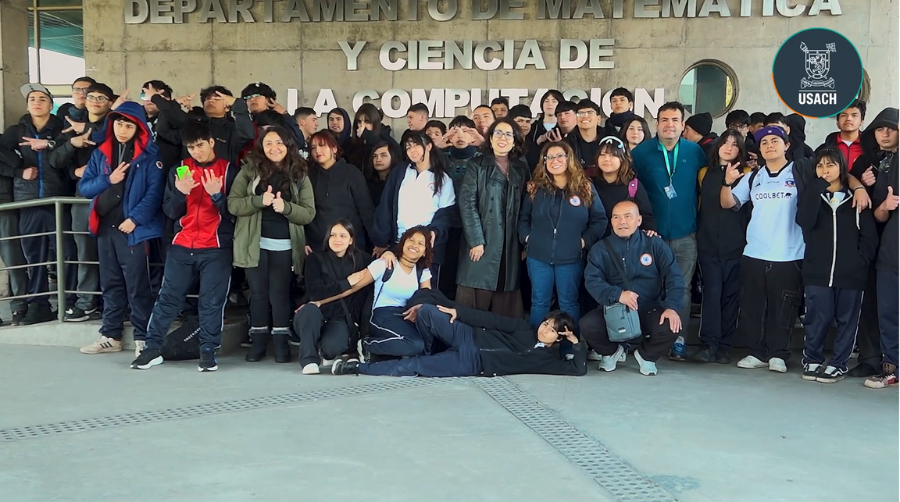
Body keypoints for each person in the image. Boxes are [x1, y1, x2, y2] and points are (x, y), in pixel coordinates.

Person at [720, 126, 869, 374]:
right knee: (753, 306)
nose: (769, 145)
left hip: (790, 252)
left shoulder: (802, 170)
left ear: (787, 145)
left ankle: (779, 353)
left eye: (775, 141)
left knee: (784, 307)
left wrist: (860, 187)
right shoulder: (754, 176)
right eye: (764, 142)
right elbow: (729, 202)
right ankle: (756, 352)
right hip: (755, 251)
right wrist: (727, 182)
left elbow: (834, 171)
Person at [130, 122, 235, 372]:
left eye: (200, 145)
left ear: (211, 142)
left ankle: (208, 352)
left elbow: (235, 215)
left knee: (211, 302)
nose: (196, 151)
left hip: (216, 246)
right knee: (168, 299)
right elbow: (169, 211)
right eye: (191, 147)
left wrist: (217, 196)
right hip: (182, 244)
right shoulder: (179, 170)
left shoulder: (230, 170)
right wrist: (179, 193)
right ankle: (152, 349)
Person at [76, 102, 165, 357]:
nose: (122, 130)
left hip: (134, 229)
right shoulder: (101, 153)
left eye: (128, 125)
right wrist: (109, 179)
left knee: (138, 284)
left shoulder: (150, 156)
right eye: (118, 123)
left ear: (138, 128)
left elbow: (154, 194)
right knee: (111, 282)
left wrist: (135, 219)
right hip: (106, 227)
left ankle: (143, 337)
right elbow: (85, 188)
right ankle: (110, 334)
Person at [229, 126, 315, 363]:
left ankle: (280, 345)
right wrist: (259, 201)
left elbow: (308, 213)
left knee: (278, 295)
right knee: (257, 294)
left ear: (288, 146)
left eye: (279, 143)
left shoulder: (299, 174)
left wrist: (284, 208)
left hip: (285, 245)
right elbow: (233, 204)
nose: (273, 148)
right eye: (268, 143)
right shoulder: (249, 171)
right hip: (254, 244)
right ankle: (257, 344)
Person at [1, 84, 84, 325]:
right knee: (33, 255)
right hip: (27, 201)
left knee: (66, 252)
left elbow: (69, 155)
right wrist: (19, 172)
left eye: (43, 99)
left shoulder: (62, 130)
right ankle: (39, 303)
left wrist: (49, 145)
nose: (37, 102)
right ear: (27, 105)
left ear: (51, 104)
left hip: (58, 200)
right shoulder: (15, 132)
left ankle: (68, 300)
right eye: (32, 99)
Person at [796, 148, 878, 383]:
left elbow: (869, 237)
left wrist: (860, 261)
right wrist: (815, 188)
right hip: (817, 272)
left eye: (830, 165)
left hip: (851, 274)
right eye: (820, 166)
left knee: (847, 320)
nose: (825, 170)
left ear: (841, 168)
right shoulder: (814, 196)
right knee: (817, 317)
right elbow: (804, 221)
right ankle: (812, 359)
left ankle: (838, 363)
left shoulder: (856, 199)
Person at [332, 302, 587, 377]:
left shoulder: (547, 360)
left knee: (414, 367)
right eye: (545, 323)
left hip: (474, 363)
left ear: (558, 337)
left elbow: (578, 370)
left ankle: (358, 367)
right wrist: (459, 313)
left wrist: (575, 342)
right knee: (429, 311)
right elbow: (490, 319)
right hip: (469, 335)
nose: (544, 329)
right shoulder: (523, 327)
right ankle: (428, 350)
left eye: (552, 330)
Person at [630, 101, 706, 349]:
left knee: (681, 287)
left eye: (675, 120)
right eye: (664, 119)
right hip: (652, 235)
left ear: (682, 125)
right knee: (648, 287)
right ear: (657, 124)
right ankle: (645, 336)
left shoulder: (695, 152)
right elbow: (632, 190)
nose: (669, 124)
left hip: (686, 233)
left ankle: (678, 339)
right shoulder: (641, 153)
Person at [579, 201, 684, 376]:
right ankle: (611, 352)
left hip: (649, 308)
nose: (622, 222)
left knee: (671, 324)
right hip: (615, 308)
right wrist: (617, 294)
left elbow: (674, 276)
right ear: (611, 221)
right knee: (587, 324)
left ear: (639, 220)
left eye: (628, 216)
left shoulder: (654, 244)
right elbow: (592, 280)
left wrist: (672, 307)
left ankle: (646, 356)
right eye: (616, 217)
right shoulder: (600, 249)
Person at [49, 82, 120, 323]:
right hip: (83, 197)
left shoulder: (117, 125)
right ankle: (87, 302)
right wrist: (72, 145)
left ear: (110, 102)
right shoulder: (71, 129)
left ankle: (118, 303)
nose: (96, 100)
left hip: (115, 196)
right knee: (84, 253)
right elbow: (55, 161)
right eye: (91, 96)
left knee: (115, 251)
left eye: (102, 97)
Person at [518, 141, 607, 327]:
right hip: (538, 257)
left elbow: (600, 220)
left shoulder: (585, 188)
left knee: (568, 302)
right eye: (549, 157)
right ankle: (538, 347)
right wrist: (528, 238)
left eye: (560, 156)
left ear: (569, 159)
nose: (554, 160)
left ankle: (569, 349)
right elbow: (523, 218)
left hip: (571, 258)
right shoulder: (536, 189)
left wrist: (583, 242)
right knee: (539, 302)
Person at [456, 119, 528, 317]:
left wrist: (524, 242)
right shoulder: (476, 164)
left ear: (515, 141)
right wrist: (476, 240)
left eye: (508, 134)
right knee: (476, 290)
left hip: (511, 242)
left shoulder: (521, 168)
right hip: (482, 240)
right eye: (498, 133)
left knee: (506, 290)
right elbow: (467, 203)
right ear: (490, 138)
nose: (502, 138)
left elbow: (527, 207)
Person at [693, 130, 751, 364]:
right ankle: (709, 343)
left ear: (741, 150)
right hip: (708, 245)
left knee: (730, 297)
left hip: (736, 246)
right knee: (712, 293)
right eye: (724, 142)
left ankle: (725, 345)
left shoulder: (747, 174)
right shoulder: (704, 173)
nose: (728, 147)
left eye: (734, 144)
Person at [372, 131, 456, 286]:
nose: (412, 150)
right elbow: (386, 205)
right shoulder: (400, 171)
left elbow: (446, 214)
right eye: (408, 147)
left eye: (417, 145)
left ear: (429, 146)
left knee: (424, 295)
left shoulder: (443, 179)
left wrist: (434, 232)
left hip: (428, 249)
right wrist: (381, 240)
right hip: (398, 244)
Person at [294, 220, 373, 374]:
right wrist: (347, 282)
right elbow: (315, 293)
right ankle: (309, 360)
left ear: (351, 240)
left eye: (343, 236)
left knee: (332, 348)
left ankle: (323, 349)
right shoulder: (315, 259)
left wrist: (389, 253)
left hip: (338, 318)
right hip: (312, 315)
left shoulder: (362, 260)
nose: (337, 239)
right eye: (333, 235)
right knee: (310, 309)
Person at [860, 107, 899, 389]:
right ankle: (893, 368)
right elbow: (878, 214)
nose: (885, 133)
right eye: (880, 129)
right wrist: (884, 206)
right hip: (890, 251)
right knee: (888, 311)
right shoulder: (879, 165)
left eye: (891, 128)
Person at [354, 226, 434, 358]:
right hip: (382, 315)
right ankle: (366, 344)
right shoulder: (386, 263)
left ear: (425, 252)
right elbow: (353, 286)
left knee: (425, 345)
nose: (415, 245)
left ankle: (386, 355)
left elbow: (427, 297)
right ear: (402, 243)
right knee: (415, 345)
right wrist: (320, 300)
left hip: (406, 316)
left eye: (421, 243)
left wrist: (419, 307)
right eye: (411, 240)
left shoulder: (422, 272)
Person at [305, 130, 375, 253]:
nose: (317, 151)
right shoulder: (308, 175)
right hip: (317, 246)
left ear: (334, 149)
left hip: (350, 246)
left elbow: (366, 210)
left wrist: (377, 242)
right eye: (313, 147)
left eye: (322, 145)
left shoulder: (351, 173)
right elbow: (303, 210)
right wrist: (304, 241)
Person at [592, 136, 656, 239]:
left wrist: (650, 229)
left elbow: (646, 216)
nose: (606, 159)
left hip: (626, 244)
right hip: (596, 244)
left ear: (622, 159)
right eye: (602, 155)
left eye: (612, 155)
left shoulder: (633, 185)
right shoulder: (589, 183)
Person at [198, 85, 256, 165]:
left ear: (227, 107)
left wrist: (237, 104)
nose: (211, 101)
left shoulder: (232, 128)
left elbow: (247, 136)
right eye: (208, 98)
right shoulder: (193, 125)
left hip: (224, 175)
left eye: (216, 99)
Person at [347, 103, 400, 170]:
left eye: (367, 121)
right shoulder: (354, 144)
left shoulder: (385, 138)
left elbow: (397, 156)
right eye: (359, 122)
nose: (362, 125)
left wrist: (367, 135)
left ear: (375, 122)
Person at [816, 100, 866, 169]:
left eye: (854, 115)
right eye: (844, 115)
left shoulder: (870, 147)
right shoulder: (825, 149)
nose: (849, 119)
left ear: (861, 121)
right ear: (837, 122)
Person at [565, 99, 605, 176]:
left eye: (590, 113)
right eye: (580, 113)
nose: (585, 116)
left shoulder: (608, 142)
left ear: (598, 119)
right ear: (576, 119)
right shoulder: (567, 144)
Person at [363, 140, 399, 208]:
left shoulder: (398, 183)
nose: (378, 159)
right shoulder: (368, 184)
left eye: (383, 155)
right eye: (375, 156)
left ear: (393, 157)